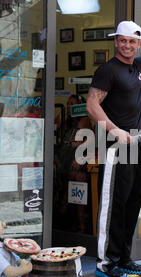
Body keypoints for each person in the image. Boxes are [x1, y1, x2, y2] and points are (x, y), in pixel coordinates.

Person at [86, 21, 141, 277]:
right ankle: (104, 262)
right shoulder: (107, 71)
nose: (127, 45)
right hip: (116, 146)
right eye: (123, 40)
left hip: (137, 145)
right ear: (115, 41)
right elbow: (92, 106)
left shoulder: (137, 66)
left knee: (133, 202)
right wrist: (115, 130)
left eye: (132, 41)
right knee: (112, 206)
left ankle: (123, 257)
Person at [54, 95, 93, 233]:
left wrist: (79, 159)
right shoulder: (66, 121)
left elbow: (91, 144)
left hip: (78, 161)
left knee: (76, 179)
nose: (69, 106)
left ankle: (81, 223)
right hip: (63, 161)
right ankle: (66, 218)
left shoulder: (84, 121)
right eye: (68, 103)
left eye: (73, 104)